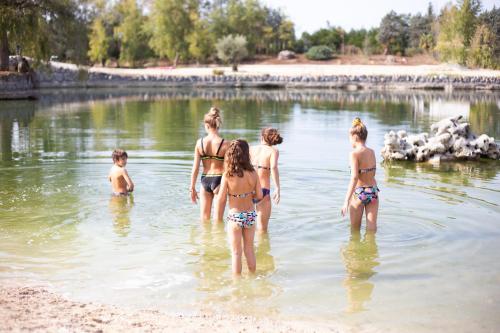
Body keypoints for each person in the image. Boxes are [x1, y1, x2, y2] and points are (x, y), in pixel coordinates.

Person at [218, 139, 263, 276]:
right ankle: (253, 276)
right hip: (250, 215)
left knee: (236, 253)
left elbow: (220, 199)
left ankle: (237, 284)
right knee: (249, 249)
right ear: (246, 154)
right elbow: (260, 195)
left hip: (235, 216)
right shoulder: (253, 173)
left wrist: (218, 217)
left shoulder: (228, 175)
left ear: (231, 155)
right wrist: (249, 195)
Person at [190, 107, 229, 222]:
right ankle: (218, 240)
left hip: (204, 180)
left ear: (206, 125)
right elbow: (228, 169)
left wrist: (191, 187)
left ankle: (204, 240)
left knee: (204, 219)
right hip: (219, 180)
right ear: (218, 125)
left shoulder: (199, 143)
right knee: (218, 220)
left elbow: (195, 167)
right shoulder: (226, 144)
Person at [341, 118, 379, 231]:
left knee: (354, 231)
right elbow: (372, 173)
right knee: (372, 230)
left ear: (354, 137)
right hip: (373, 191)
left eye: (349, 138)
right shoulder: (372, 152)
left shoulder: (354, 154)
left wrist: (346, 202)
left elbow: (354, 177)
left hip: (359, 193)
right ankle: (371, 247)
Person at [250, 128, 282, 232]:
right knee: (262, 230)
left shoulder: (251, 148)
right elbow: (273, 167)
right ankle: (262, 247)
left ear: (262, 137)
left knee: (247, 227)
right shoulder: (274, 151)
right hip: (263, 191)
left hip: (248, 189)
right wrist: (277, 188)